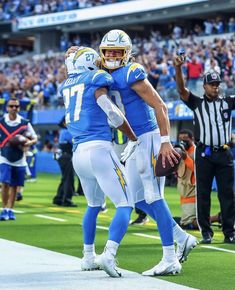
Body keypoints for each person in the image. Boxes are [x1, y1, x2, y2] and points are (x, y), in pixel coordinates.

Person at [66, 30, 198, 276]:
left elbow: (160, 105)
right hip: (133, 141)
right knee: (136, 198)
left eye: (118, 51)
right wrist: (73, 52)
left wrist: (165, 141)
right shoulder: (102, 73)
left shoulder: (132, 71)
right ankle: (181, 237)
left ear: (127, 53)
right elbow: (82, 59)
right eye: (108, 52)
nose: (113, 56)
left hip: (147, 137)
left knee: (153, 196)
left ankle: (170, 257)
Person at [62, 46, 138, 277]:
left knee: (94, 206)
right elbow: (111, 112)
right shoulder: (96, 78)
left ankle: (87, 256)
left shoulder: (67, 84)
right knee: (126, 204)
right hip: (99, 149)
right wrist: (132, 137)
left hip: (78, 153)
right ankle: (109, 254)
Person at [174, 53, 235, 244]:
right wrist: (177, 69)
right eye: (212, 84)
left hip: (224, 153)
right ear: (204, 86)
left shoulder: (228, 102)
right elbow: (182, 91)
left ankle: (229, 232)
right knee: (204, 194)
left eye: (217, 84)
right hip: (204, 154)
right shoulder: (197, 103)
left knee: (227, 195)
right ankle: (206, 233)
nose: (215, 87)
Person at [0, 98, 37, 221]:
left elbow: (35, 138)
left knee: (15, 186)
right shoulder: (1, 122)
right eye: (11, 106)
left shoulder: (25, 123)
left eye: (16, 106)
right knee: (5, 183)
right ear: (7, 108)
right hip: (4, 157)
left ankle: (10, 210)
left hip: (19, 158)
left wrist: (27, 142)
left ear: (19, 108)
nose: (14, 108)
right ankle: (4, 209)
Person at [53, 116, 77, 207]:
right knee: (69, 179)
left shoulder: (63, 131)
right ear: (64, 123)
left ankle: (58, 198)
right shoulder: (68, 132)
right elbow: (74, 142)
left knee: (65, 178)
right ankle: (67, 200)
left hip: (63, 156)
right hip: (67, 156)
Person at [176, 129, 197, 230]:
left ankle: (218, 218)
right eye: (180, 139)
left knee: (188, 224)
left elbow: (197, 170)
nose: (182, 141)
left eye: (185, 139)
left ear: (192, 139)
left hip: (193, 192)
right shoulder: (180, 151)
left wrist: (185, 158)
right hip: (184, 191)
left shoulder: (196, 151)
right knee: (185, 223)